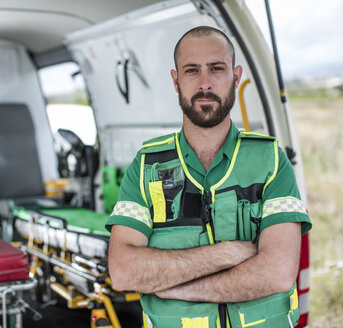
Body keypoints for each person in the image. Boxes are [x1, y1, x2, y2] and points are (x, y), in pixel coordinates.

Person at [106, 26, 312, 328]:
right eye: (192, 71)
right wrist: (228, 253)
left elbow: (277, 272)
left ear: (236, 76)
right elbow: (124, 271)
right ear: (176, 81)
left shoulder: (270, 160)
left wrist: (181, 288)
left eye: (217, 69)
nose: (205, 83)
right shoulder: (146, 166)